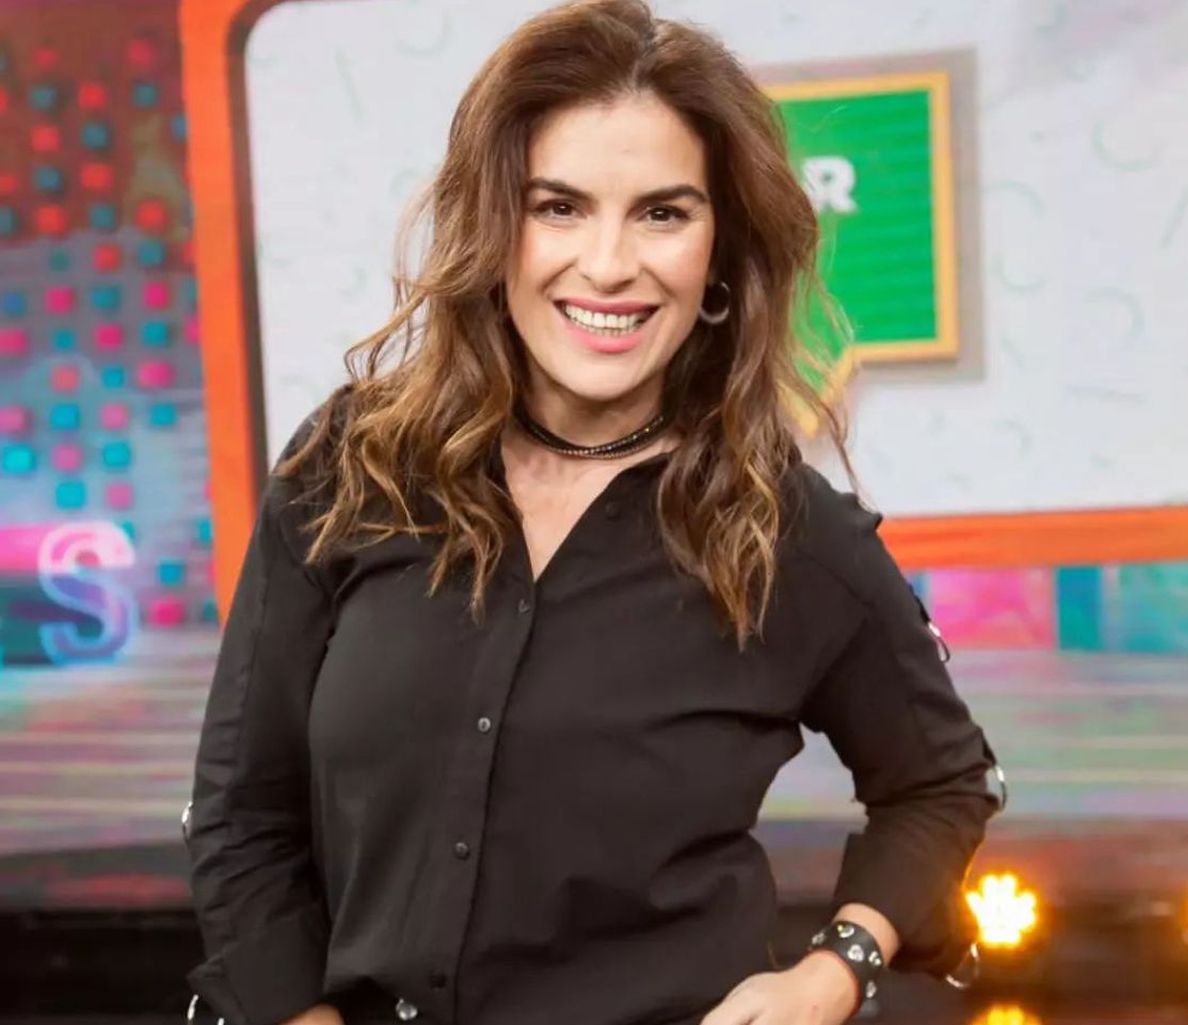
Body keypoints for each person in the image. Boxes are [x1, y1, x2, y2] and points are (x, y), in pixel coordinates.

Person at [182, 2, 1003, 1024]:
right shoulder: (355, 466)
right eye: (559, 206)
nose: (609, 264)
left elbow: (941, 784)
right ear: (494, 228)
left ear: (719, 252)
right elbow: (241, 809)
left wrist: (833, 969)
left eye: (663, 213)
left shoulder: (785, 532)